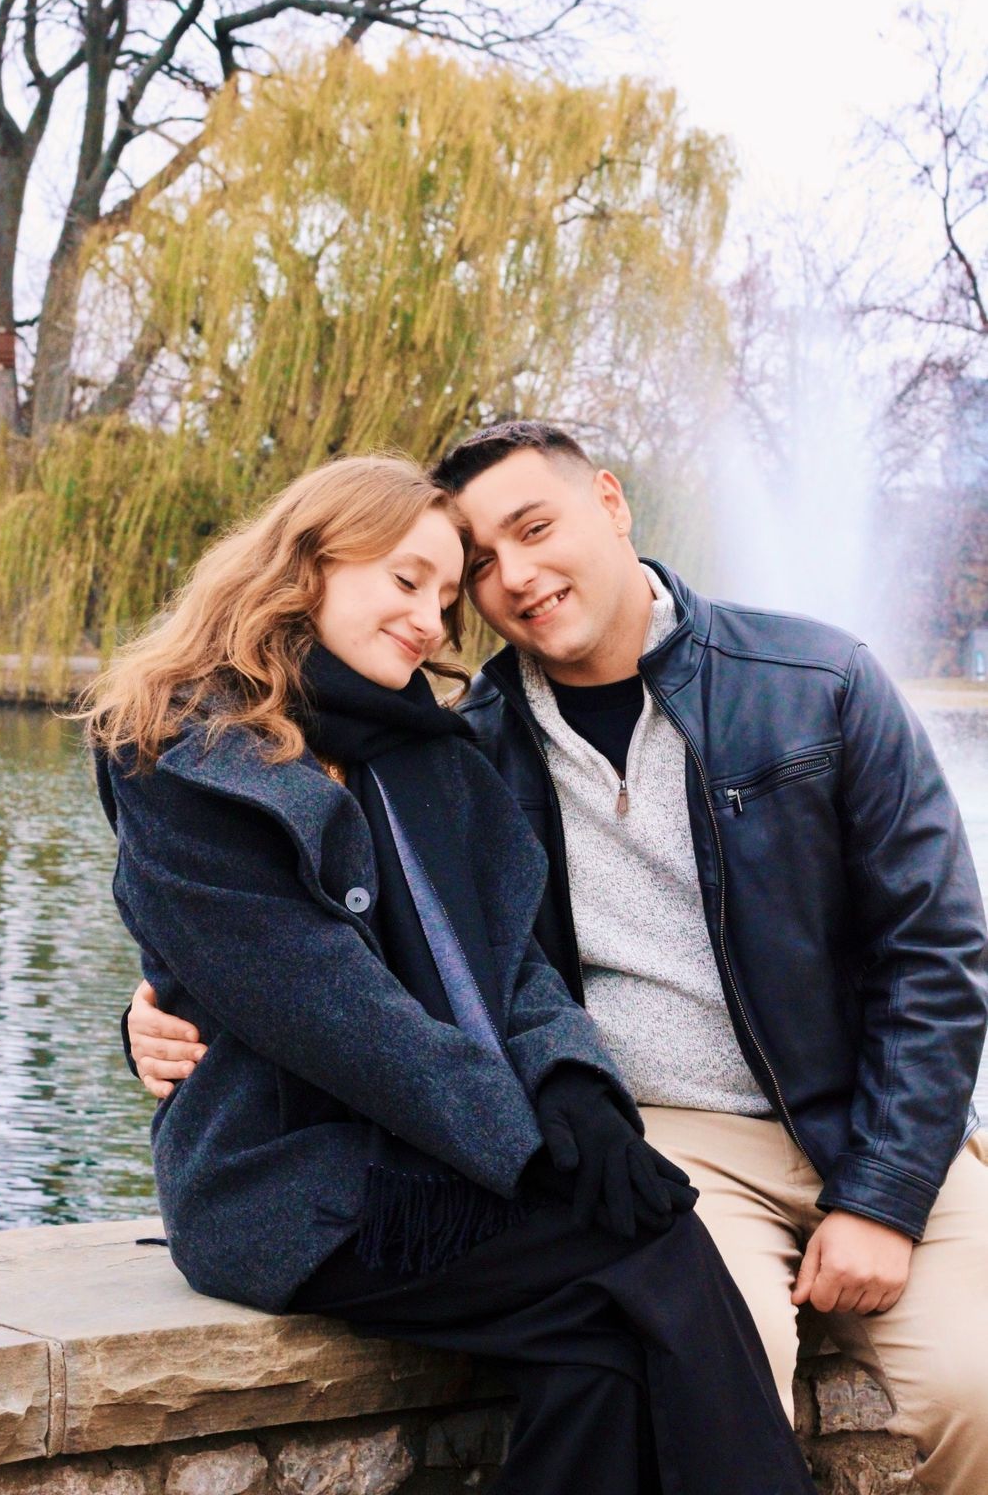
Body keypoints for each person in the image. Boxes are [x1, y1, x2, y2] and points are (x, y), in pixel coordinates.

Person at [130, 424, 988, 1495]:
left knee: (963, 1380)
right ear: (310, 567)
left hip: (859, 1116)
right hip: (640, 1133)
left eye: (531, 531)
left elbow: (934, 950)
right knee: (689, 1334)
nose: (506, 582)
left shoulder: (814, 680)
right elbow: (342, 975)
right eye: (475, 567)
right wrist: (165, 1005)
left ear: (610, 505)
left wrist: (884, 1192)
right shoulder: (469, 737)